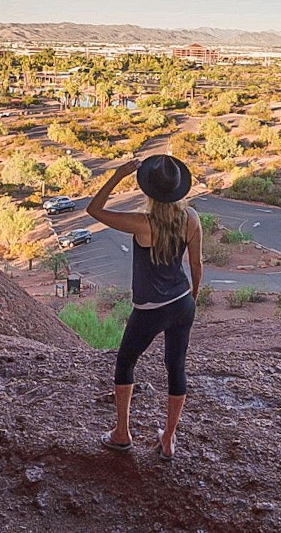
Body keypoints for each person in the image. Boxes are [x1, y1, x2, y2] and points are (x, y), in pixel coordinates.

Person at [85, 154, 203, 459]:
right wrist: (194, 297)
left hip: (149, 309)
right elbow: (196, 263)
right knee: (175, 367)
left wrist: (118, 174)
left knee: (125, 363)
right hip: (181, 303)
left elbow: (93, 209)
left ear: (149, 191)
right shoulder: (191, 218)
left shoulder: (141, 224)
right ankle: (168, 440)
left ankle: (122, 434)